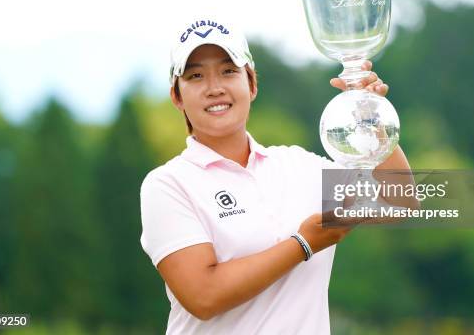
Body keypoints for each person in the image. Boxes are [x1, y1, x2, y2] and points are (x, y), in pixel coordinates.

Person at [139, 19, 416, 334]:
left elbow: (399, 200)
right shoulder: (168, 185)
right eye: (196, 76)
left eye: (228, 71)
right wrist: (303, 243)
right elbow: (204, 296)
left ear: (252, 84)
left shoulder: (299, 166)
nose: (214, 87)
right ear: (177, 97)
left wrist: (371, 115)